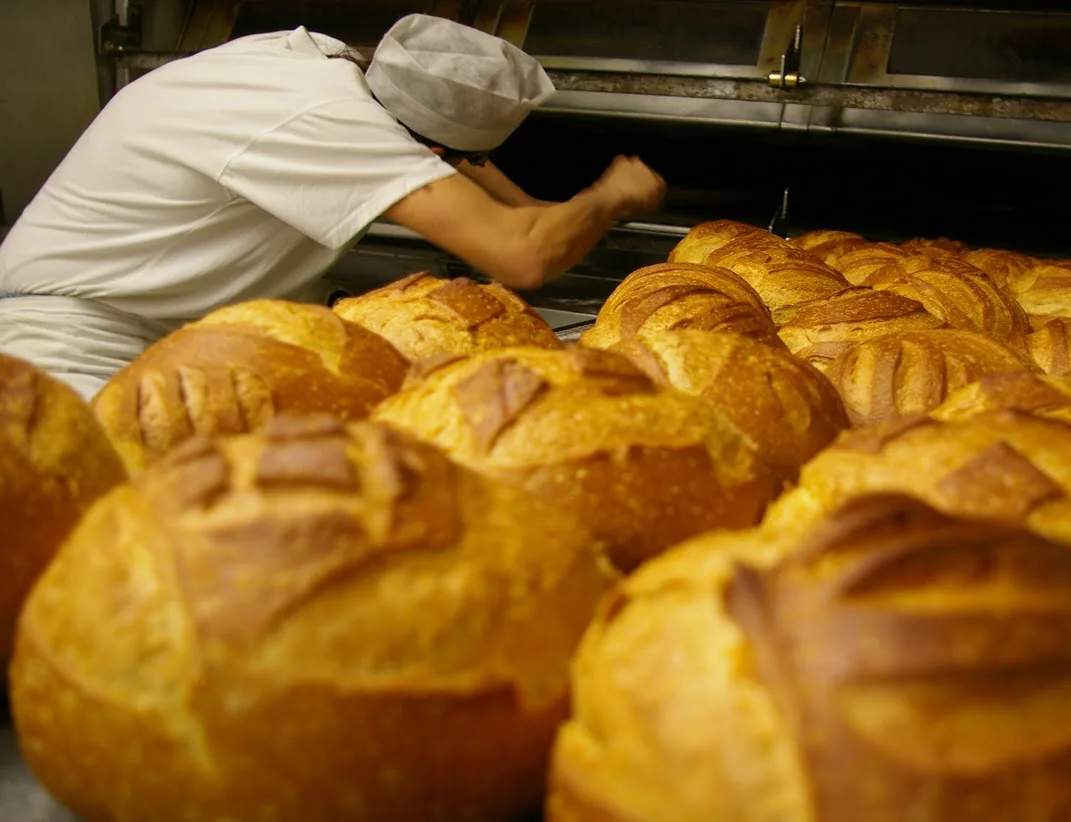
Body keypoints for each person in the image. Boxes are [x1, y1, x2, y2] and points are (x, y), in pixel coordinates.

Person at [0, 14, 665, 400]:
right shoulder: (327, 122)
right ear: (424, 142)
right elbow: (521, 252)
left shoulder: (315, 66)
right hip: (67, 345)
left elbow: (480, 176)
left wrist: (557, 210)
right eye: (439, 157)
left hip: (163, 337)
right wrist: (611, 196)